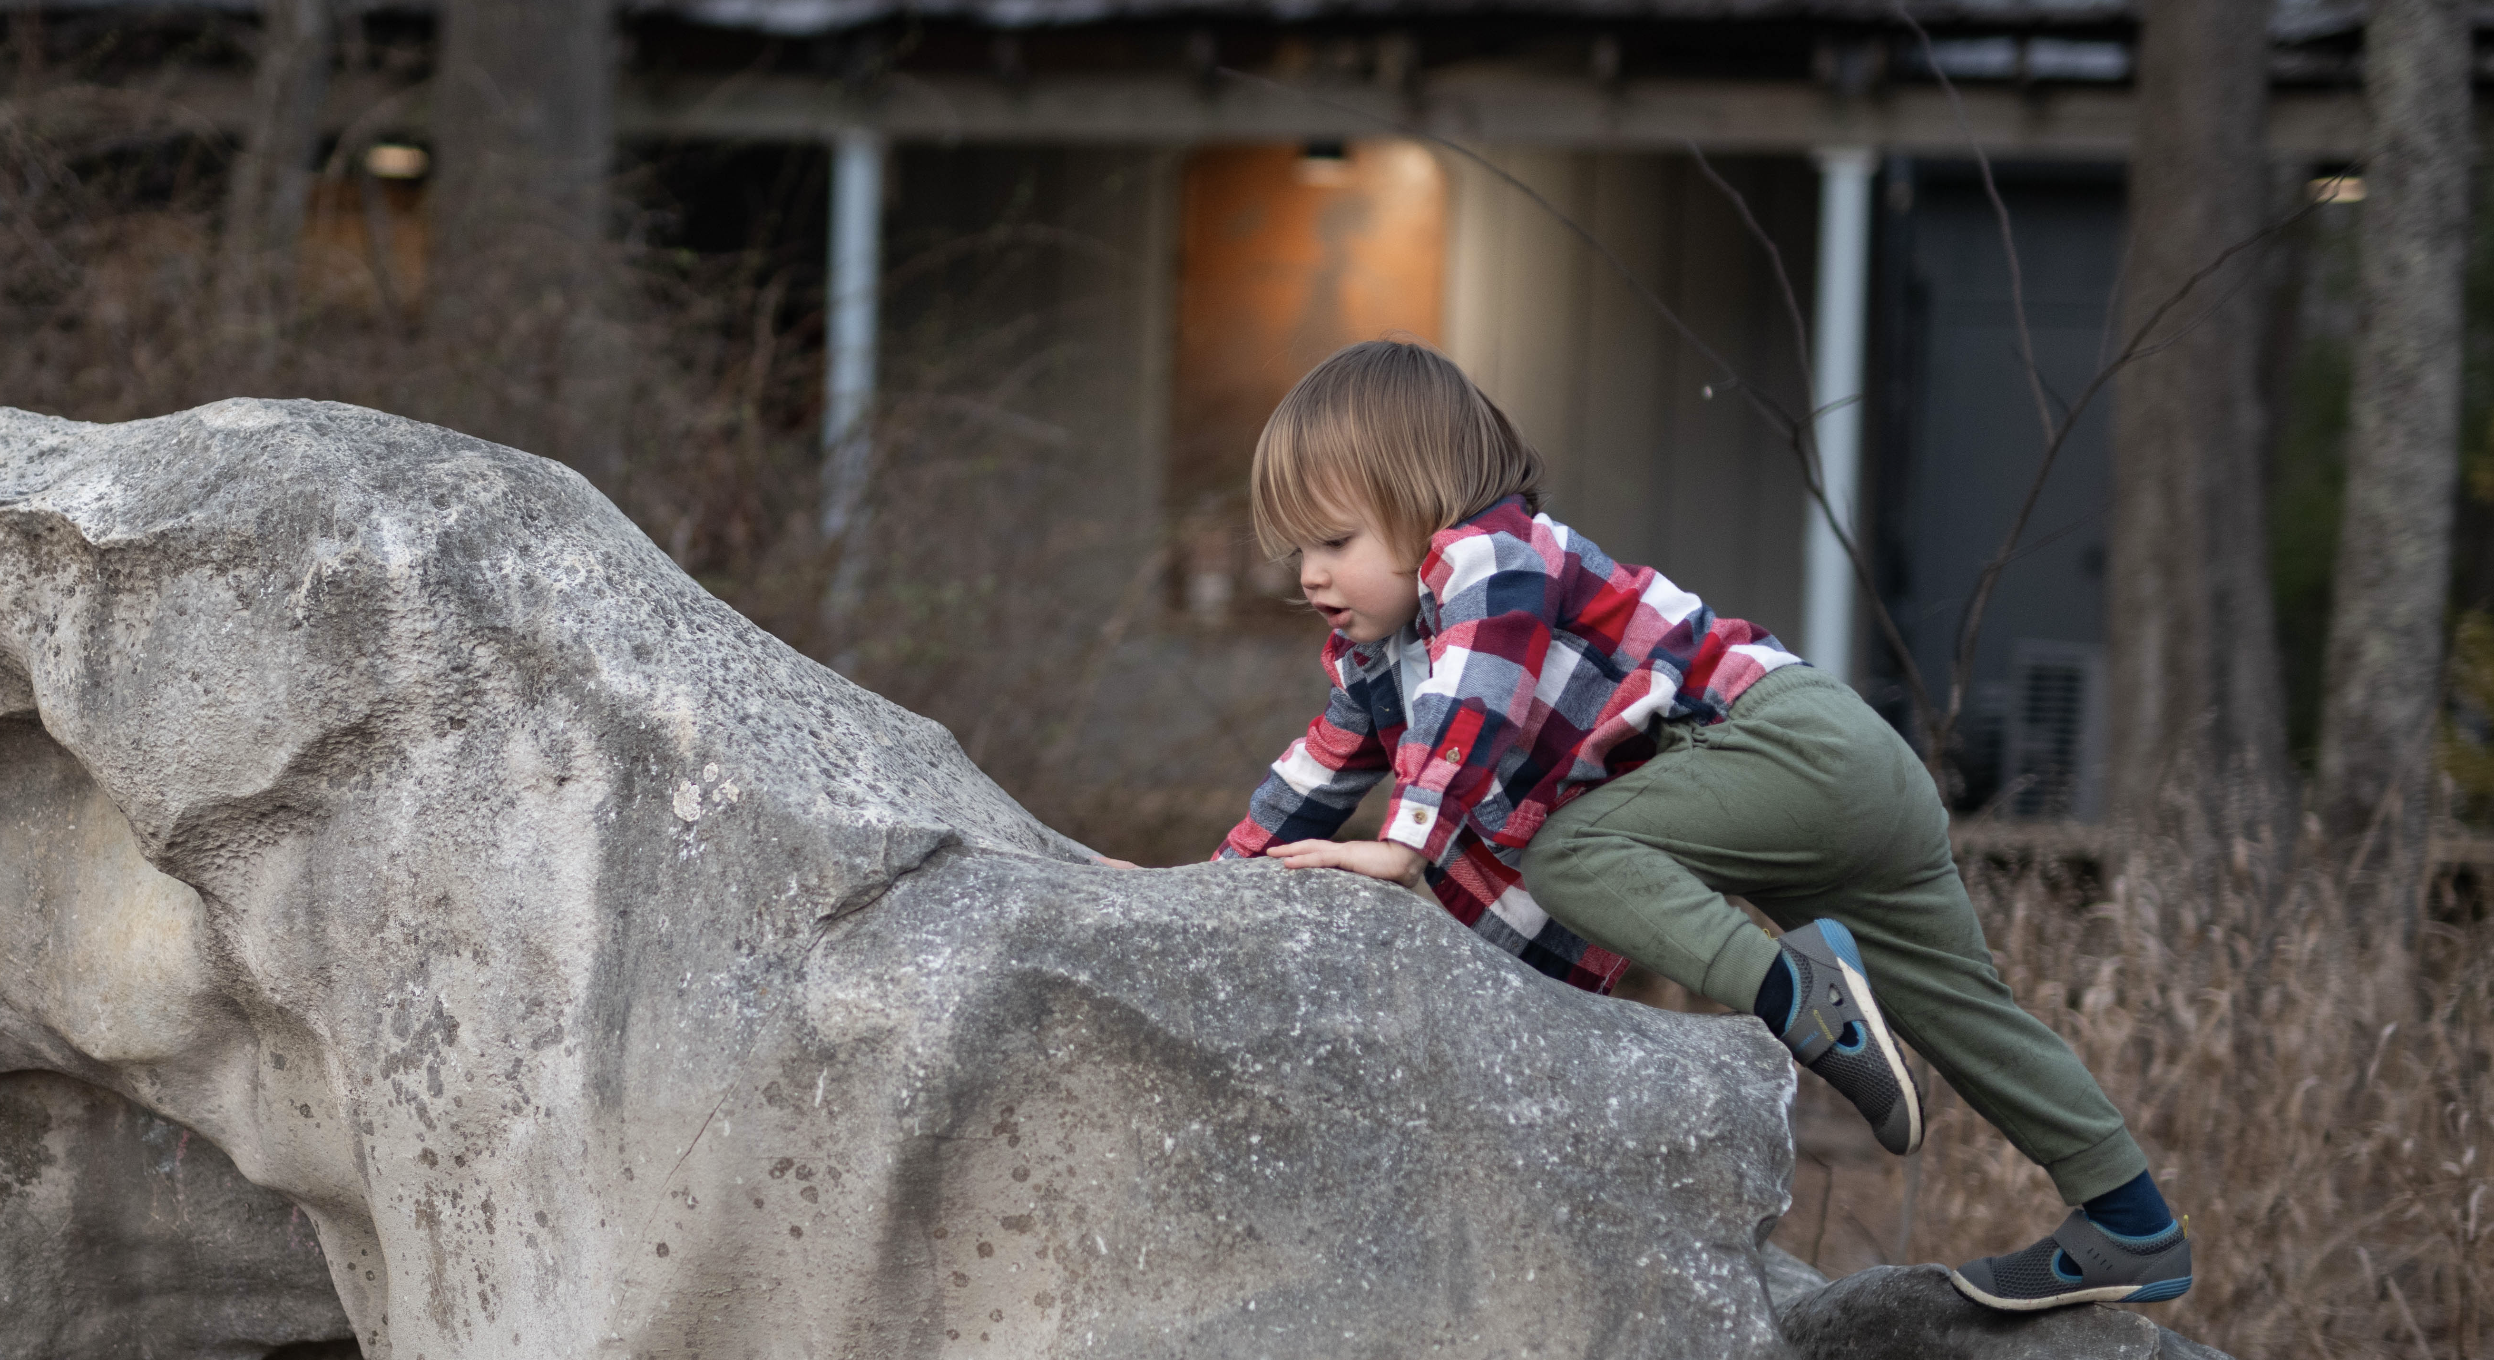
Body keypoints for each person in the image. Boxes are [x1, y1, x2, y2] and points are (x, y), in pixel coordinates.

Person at [1208, 338, 2191, 1311]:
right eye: (1296, 550)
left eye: (1335, 542)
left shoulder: (1486, 558)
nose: (1308, 575)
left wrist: (1407, 841)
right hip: (1846, 784)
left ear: (1418, 503)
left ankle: (1795, 993)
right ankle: (2129, 1219)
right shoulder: (1379, 666)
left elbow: (1473, 690)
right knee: (1963, 1011)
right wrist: (1195, 891)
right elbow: (1311, 777)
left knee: (1569, 848)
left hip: (1787, 747)